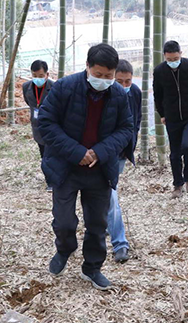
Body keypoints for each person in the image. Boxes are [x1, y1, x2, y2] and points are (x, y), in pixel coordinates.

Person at [38, 44, 133, 291]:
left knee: (97, 224)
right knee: (64, 221)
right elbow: (46, 123)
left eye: (108, 76)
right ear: (87, 67)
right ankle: (65, 249)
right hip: (66, 168)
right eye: (98, 74)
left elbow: (126, 129)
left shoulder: (119, 94)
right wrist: (77, 152)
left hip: (99, 169)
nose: (103, 80)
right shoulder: (64, 87)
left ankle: (92, 267)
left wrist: (99, 152)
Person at [153, 40, 188, 199]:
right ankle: (177, 185)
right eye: (169, 59)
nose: (173, 62)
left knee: (187, 145)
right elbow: (158, 94)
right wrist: (162, 114)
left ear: (181, 54)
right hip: (172, 117)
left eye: (176, 58)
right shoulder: (159, 71)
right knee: (175, 153)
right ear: (164, 57)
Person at [106, 60, 141, 263]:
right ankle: (120, 243)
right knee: (111, 196)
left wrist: (130, 145)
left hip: (122, 153)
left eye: (128, 81)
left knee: (108, 193)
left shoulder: (134, 92)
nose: (124, 86)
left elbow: (137, 120)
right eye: (120, 81)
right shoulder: (104, 93)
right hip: (105, 152)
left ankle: (104, 225)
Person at [22, 60, 55, 191]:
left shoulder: (54, 87)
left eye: (41, 76)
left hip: (52, 126)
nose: (37, 79)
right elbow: (29, 102)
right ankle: (49, 180)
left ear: (47, 74)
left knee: (51, 154)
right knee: (43, 154)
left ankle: (53, 181)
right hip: (37, 127)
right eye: (34, 76)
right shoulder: (26, 87)